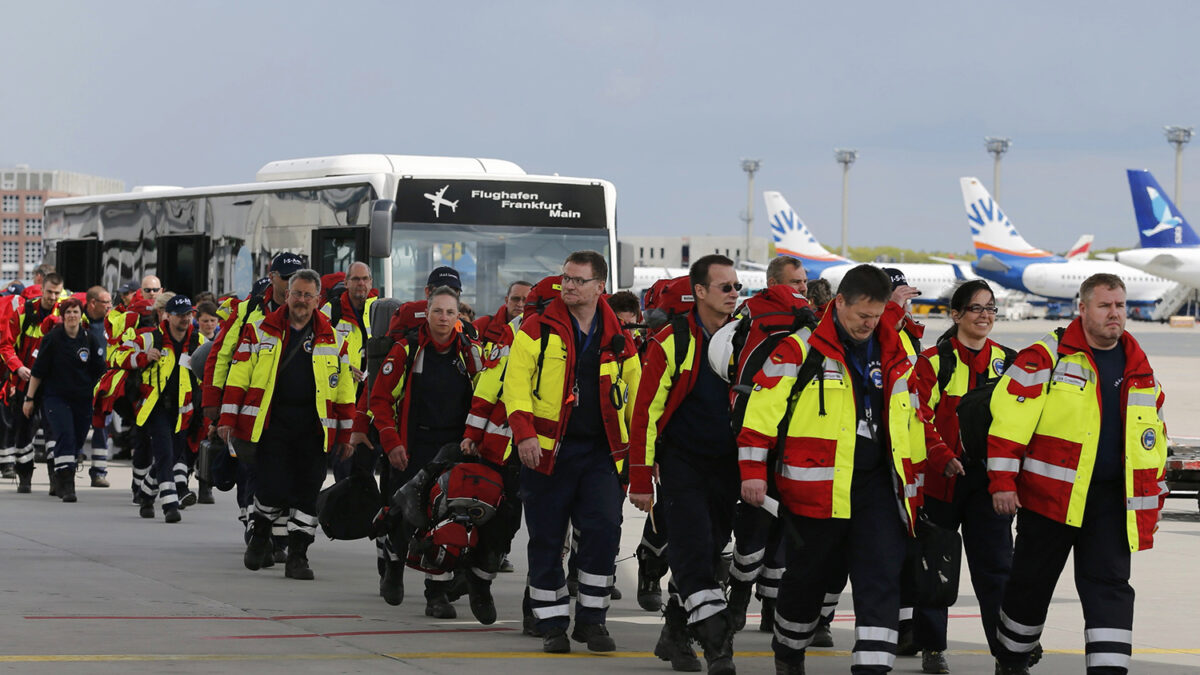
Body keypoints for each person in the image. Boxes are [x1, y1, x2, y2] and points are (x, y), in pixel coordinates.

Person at [738, 264, 927, 675]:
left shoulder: (896, 350)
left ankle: (872, 668)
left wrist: (921, 477)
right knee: (807, 582)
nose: (869, 324)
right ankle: (789, 653)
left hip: (878, 486)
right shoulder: (797, 350)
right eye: (862, 315)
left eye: (876, 316)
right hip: (815, 490)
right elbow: (759, 415)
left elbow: (913, 417)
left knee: (881, 579)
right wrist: (752, 472)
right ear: (839, 302)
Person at [989, 274, 1167, 675]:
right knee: (1030, 587)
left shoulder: (1139, 366)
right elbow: (1006, 428)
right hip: (1049, 499)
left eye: (1120, 306)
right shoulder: (1044, 358)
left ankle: (1109, 670)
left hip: (1109, 502)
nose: (1115, 314)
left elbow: (1153, 440)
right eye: (1105, 306)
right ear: (1082, 308)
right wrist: (1002, 483)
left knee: (1110, 590)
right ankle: (1013, 660)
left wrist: (1154, 493)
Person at [502, 251, 640, 654]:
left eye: (579, 280)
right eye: (566, 278)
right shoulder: (535, 328)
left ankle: (592, 621)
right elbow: (515, 387)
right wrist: (524, 435)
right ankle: (552, 624)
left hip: (601, 455)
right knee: (546, 541)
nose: (570, 286)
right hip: (546, 455)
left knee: (603, 534)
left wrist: (641, 455)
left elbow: (636, 400)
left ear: (601, 287)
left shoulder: (620, 336)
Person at [630, 254, 741, 675]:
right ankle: (718, 646)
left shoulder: (745, 338)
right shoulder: (672, 341)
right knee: (694, 556)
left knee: (710, 557)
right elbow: (645, 414)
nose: (734, 294)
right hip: (683, 467)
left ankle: (675, 632)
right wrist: (641, 479)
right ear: (699, 292)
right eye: (725, 287)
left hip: (730, 470)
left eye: (737, 287)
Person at [218, 269, 355, 580]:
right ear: (287, 295)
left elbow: (345, 390)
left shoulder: (335, 339)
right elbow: (238, 378)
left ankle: (298, 556)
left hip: (314, 428)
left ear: (318, 300)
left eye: (308, 295)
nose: (302, 301)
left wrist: (346, 434)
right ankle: (260, 535)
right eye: (297, 294)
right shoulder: (258, 331)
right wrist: (227, 418)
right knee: (272, 487)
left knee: (308, 494)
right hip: (271, 424)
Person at [909, 280, 1015, 674]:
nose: (985, 315)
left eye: (991, 308)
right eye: (976, 308)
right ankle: (932, 648)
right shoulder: (933, 362)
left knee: (997, 571)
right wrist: (940, 454)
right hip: (943, 481)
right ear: (955, 315)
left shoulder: (1011, 363)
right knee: (936, 569)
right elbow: (918, 415)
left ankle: (1007, 653)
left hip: (990, 484)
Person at [368, 286, 485, 617]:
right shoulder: (406, 350)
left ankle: (437, 594)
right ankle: (393, 566)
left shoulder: (469, 352)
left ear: (458, 316)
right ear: (427, 314)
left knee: (449, 521)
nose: (444, 318)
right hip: (411, 446)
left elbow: (485, 396)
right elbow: (380, 400)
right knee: (405, 516)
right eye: (438, 312)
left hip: (454, 449)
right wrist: (392, 444)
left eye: (451, 312)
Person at [113, 294, 205, 523]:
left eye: (188, 314)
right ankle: (170, 503)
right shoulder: (150, 338)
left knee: (171, 455)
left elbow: (213, 370)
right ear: (167, 316)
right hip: (156, 407)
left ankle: (145, 495)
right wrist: (142, 356)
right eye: (180, 315)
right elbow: (117, 355)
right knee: (164, 453)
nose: (185, 319)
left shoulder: (199, 342)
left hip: (185, 409)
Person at [22, 297, 106, 502]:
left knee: (76, 439)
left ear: (81, 315)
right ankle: (67, 483)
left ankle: (62, 473)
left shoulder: (89, 339)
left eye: (75, 312)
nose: (72, 316)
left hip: (82, 399)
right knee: (65, 436)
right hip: (56, 398)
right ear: (62, 316)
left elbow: (100, 370)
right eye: (68, 312)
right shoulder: (52, 339)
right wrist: (29, 398)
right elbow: (38, 371)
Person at [1, 272, 64, 493]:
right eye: (49, 292)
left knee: (54, 430)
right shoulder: (24, 312)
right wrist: (18, 367)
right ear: (42, 288)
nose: (53, 297)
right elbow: (6, 345)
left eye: (57, 293)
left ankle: (55, 479)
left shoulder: (66, 313)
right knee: (23, 430)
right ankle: (25, 475)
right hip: (24, 381)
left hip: (53, 383)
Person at [82, 285, 114, 486]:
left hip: (104, 386)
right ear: (93, 303)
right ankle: (73, 461)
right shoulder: (77, 320)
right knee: (79, 426)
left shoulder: (112, 323)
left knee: (102, 427)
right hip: (81, 385)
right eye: (106, 303)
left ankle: (99, 471)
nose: (110, 306)